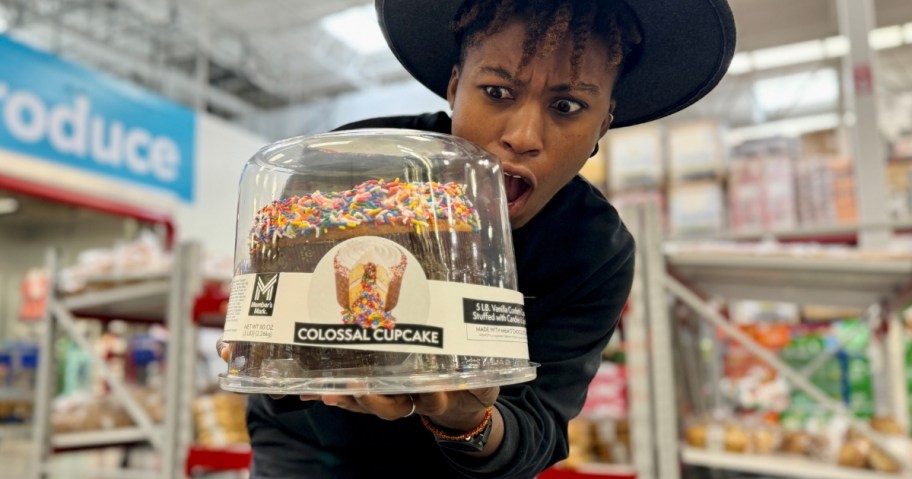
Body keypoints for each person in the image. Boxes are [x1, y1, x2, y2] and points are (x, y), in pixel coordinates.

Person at [221, 0, 735, 477]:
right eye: (496, 92)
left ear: (604, 122)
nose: (524, 136)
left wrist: (468, 420)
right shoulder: (345, 171)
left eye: (569, 106)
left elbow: (538, 427)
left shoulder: (596, 249)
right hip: (311, 458)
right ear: (453, 88)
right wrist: (280, 359)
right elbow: (272, 363)